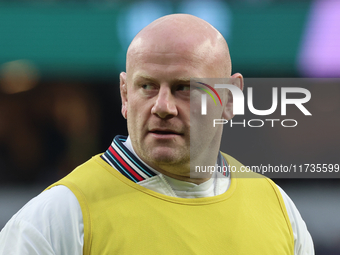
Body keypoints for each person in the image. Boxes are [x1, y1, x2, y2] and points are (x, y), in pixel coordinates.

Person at [0, 14, 314, 254]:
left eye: (184, 88)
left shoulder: (278, 209)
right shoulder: (59, 216)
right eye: (147, 86)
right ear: (125, 95)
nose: (162, 106)